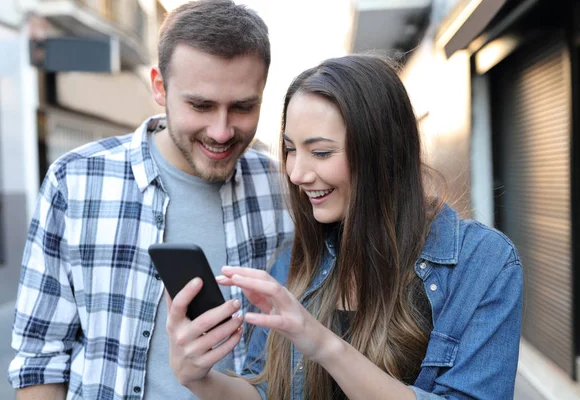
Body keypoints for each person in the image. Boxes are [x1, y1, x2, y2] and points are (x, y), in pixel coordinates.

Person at [165, 53, 523, 400]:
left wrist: (321, 343)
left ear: (382, 152)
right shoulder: (293, 260)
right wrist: (199, 380)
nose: (297, 173)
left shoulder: (484, 263)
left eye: (320, 153)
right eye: (290, 149)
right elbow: (265, 391)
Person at [8, 1, 293, 399]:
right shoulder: (74, 181)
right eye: (201, 105)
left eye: (243, 107)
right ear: (159, 87)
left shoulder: (283, 190)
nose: (222, 130)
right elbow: (40, 357)